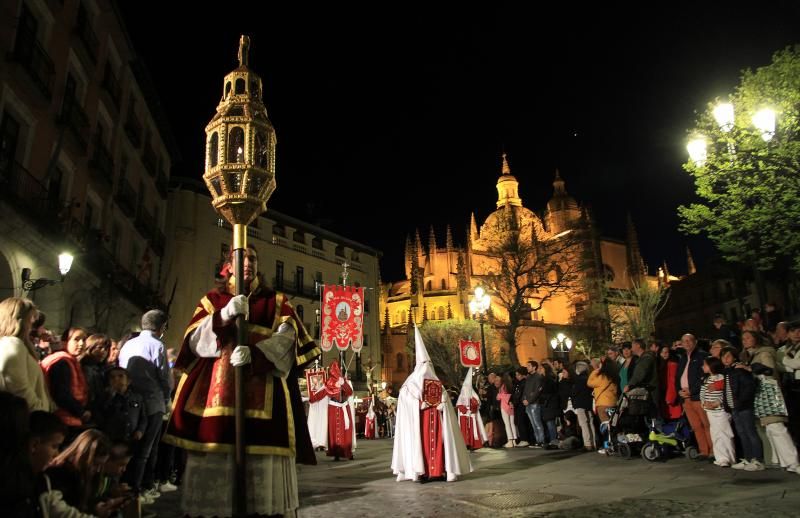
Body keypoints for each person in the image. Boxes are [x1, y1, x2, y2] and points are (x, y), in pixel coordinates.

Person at [162, 244, 320, 517]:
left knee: (262, 483)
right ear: (229, 265)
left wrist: (257, 354)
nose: (248, 263)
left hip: (266, 398)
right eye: (241, 258)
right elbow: (194, 343)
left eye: (253, 258)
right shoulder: (212, 300)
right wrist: (222, 316)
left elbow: (287, 339)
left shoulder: (277, 302)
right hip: (218, 402)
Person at [391, 326, 472, 482]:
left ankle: (439, 471)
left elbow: (445, 398)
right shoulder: (410, 384)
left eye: (429, 363)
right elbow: (405, 398)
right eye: (424, 363)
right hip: (420, 420)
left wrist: (443, 403)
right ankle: (422, 472)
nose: (427, 367)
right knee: (422, 446)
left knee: (440, 444)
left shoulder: (437, 383)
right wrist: (418, 404)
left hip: (437, 420)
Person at [118, 309, 171, 502]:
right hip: (152, 401)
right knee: (147, 450)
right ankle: (139, 490)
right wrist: (166, 398)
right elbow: (165, 377)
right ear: (162, 327)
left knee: (130, 447)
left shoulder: (129, 344)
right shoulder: (157, 345)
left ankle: (127, 489)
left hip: (130, 401)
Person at [740, 330, 800, 474]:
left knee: (777, 427)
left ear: (757, 339)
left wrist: (749, 370)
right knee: (771, 428)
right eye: (743, 338)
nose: (745, 340)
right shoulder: (752, 355)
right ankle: (784, 461)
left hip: (769, 395)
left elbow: (770, 373)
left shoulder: (764, 353)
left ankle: (793, 462)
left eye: (748, 337)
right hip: (761, 395)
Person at [0, 297, 54, 412]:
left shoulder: (15, 344)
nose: (32, 324)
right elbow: (17, 387)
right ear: (19, 320)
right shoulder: (12, 344)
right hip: (28, 419)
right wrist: (39, 409)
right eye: (31, 319)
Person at [720, 346, 764, 471]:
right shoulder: (727, 371)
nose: (725, 359)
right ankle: (748, 458)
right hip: (734, 408)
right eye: (723, 357)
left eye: (728, 356)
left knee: (750, 432)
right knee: (742, 433)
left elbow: (749, 388)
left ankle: (758, 460)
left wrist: (740, 402)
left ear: (734, 356)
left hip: (743, 407)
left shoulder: (740, 370)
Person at [42, 327, 91, 436]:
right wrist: (81, 412)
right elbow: (61, 394)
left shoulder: (69, 361)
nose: (81, 343)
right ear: (65, 342)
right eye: (76, 339)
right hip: (62, 419)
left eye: (84, 339)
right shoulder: (61, 363)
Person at [675, 333, 713, 461]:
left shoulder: (702, 356)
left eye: (689, 340)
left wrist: (692, 390)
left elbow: (703, 377)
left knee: (706, 424)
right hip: (685, 398)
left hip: (697, 396)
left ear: (695, 342)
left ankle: (713, 451)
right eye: (684, 341)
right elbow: (678, 377)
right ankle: (703, 451)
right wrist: (680, 391)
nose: (686, 343)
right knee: (696, 426)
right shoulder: (682, 358)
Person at [309, 360, 353, 461]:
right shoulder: (329, 383)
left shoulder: (344, 380)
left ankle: (348, 452)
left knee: (346, 431)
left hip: (344, 409)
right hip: (333, 409)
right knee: (334, 431)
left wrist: (344, 384)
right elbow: (321, 394)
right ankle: (336, 453)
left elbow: (350, 392)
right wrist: (311, 399)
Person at [701, 357, 736, 467]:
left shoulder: (721, 378)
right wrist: (704, 403)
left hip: (721, 411)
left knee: (725, 433)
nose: (703, 367)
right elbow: (702, 393)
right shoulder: (706, 379)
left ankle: (730, 458)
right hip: (710, 411)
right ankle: (720, 458)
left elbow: (725, 394)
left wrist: (717, 403)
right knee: (715, 434)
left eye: (705, 365)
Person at [101, 367, 147, 445]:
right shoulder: (104, 397)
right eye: (112, 377)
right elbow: (101, 413)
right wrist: (110, 398)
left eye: (120, 376)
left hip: (131, 438)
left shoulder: (137, 397)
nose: (116, 379)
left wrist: (140, 430)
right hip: (111, 439)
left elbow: (143, 418)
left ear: (128, 381)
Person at [456, 368, 488, 450]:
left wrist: (472, 410)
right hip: (464, 415)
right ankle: (466, 443)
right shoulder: (462, 396)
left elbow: (477, 404)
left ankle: (474, 444)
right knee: (464, 430)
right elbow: (459, 405)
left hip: (472, 415)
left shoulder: (474, 396)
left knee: (473, 430)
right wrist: (466, 411)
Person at [571, 361, 597, 451]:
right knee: (590, 422)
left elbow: (574, 392)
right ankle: (594, 443)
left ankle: (587, 444)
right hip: (589, 403)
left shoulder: (578, 379)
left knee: (584, 423)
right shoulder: (589, 378)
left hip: (580, 403)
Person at [657, 345, 682, 421]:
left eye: (666, 352)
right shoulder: (659, 364)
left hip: (670, 396)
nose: (664, 354)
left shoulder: (672, 364)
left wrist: (670, 397)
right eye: (662, 352)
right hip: (663, 394)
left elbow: (672, 382)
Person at [307, 371, 329, 451]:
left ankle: (322, 442)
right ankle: (319, 442)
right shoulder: (324, 389)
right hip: (317, 411)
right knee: (317, 424)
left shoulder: (325, 389)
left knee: (321, 425)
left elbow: (314, 398)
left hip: (323, 410)